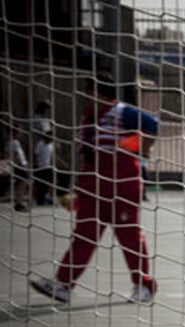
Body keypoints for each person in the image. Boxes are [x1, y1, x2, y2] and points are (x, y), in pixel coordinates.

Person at [30, 75, 159, 304]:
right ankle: (63, 284)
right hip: (92, 184)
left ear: (98, 93)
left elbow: (152, 124)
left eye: (87, 91)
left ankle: (143, 285)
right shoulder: (88, 118)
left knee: (128, 235)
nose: (83, 96)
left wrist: (141, 148)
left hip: (121, 184)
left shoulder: (121, 112)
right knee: (83, 235)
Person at [6, 124, 32, 211]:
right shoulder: (14, 142)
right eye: (19, 132)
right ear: (14, 133)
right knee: (22, 185)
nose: (20, 133)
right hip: (20, 166)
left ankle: (19, 202)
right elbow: (15, 155)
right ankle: (19, 203)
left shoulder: (11, 142)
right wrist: (21, 164)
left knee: (21, 185)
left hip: (19, 165)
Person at [32, 129, 58, 206]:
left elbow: (52, 156)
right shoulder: (40, 144)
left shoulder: (51, 145)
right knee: (38, 184)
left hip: (48, 167)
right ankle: (34, 199)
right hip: (40, 167)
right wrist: (36, 164)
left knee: (52, 182)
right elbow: (35, 154)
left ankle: (51, 198)